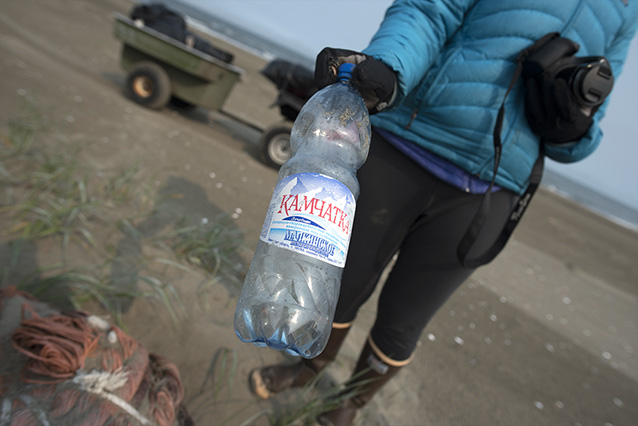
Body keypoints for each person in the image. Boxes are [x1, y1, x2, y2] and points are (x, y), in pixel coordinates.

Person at [249, 1, 638, 425]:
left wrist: (577, 122)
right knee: (340, 283)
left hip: (491, 190)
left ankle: (350, 404)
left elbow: (593, 101)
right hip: (404, 145)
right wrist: (388, 71)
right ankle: (307, 368)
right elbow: (430, 12)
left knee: (403, 323)